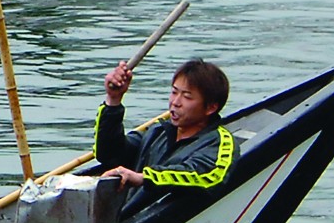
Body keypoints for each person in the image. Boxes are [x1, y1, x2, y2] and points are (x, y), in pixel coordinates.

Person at [97, 57, 235, 202]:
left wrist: (143, 178)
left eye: (187, 97)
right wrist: (113, 100)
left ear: (211, 108)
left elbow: (205, 176)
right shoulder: (158, 130)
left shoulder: (220, 143)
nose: (175, 102)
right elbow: (109, 154)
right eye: (174, 92)